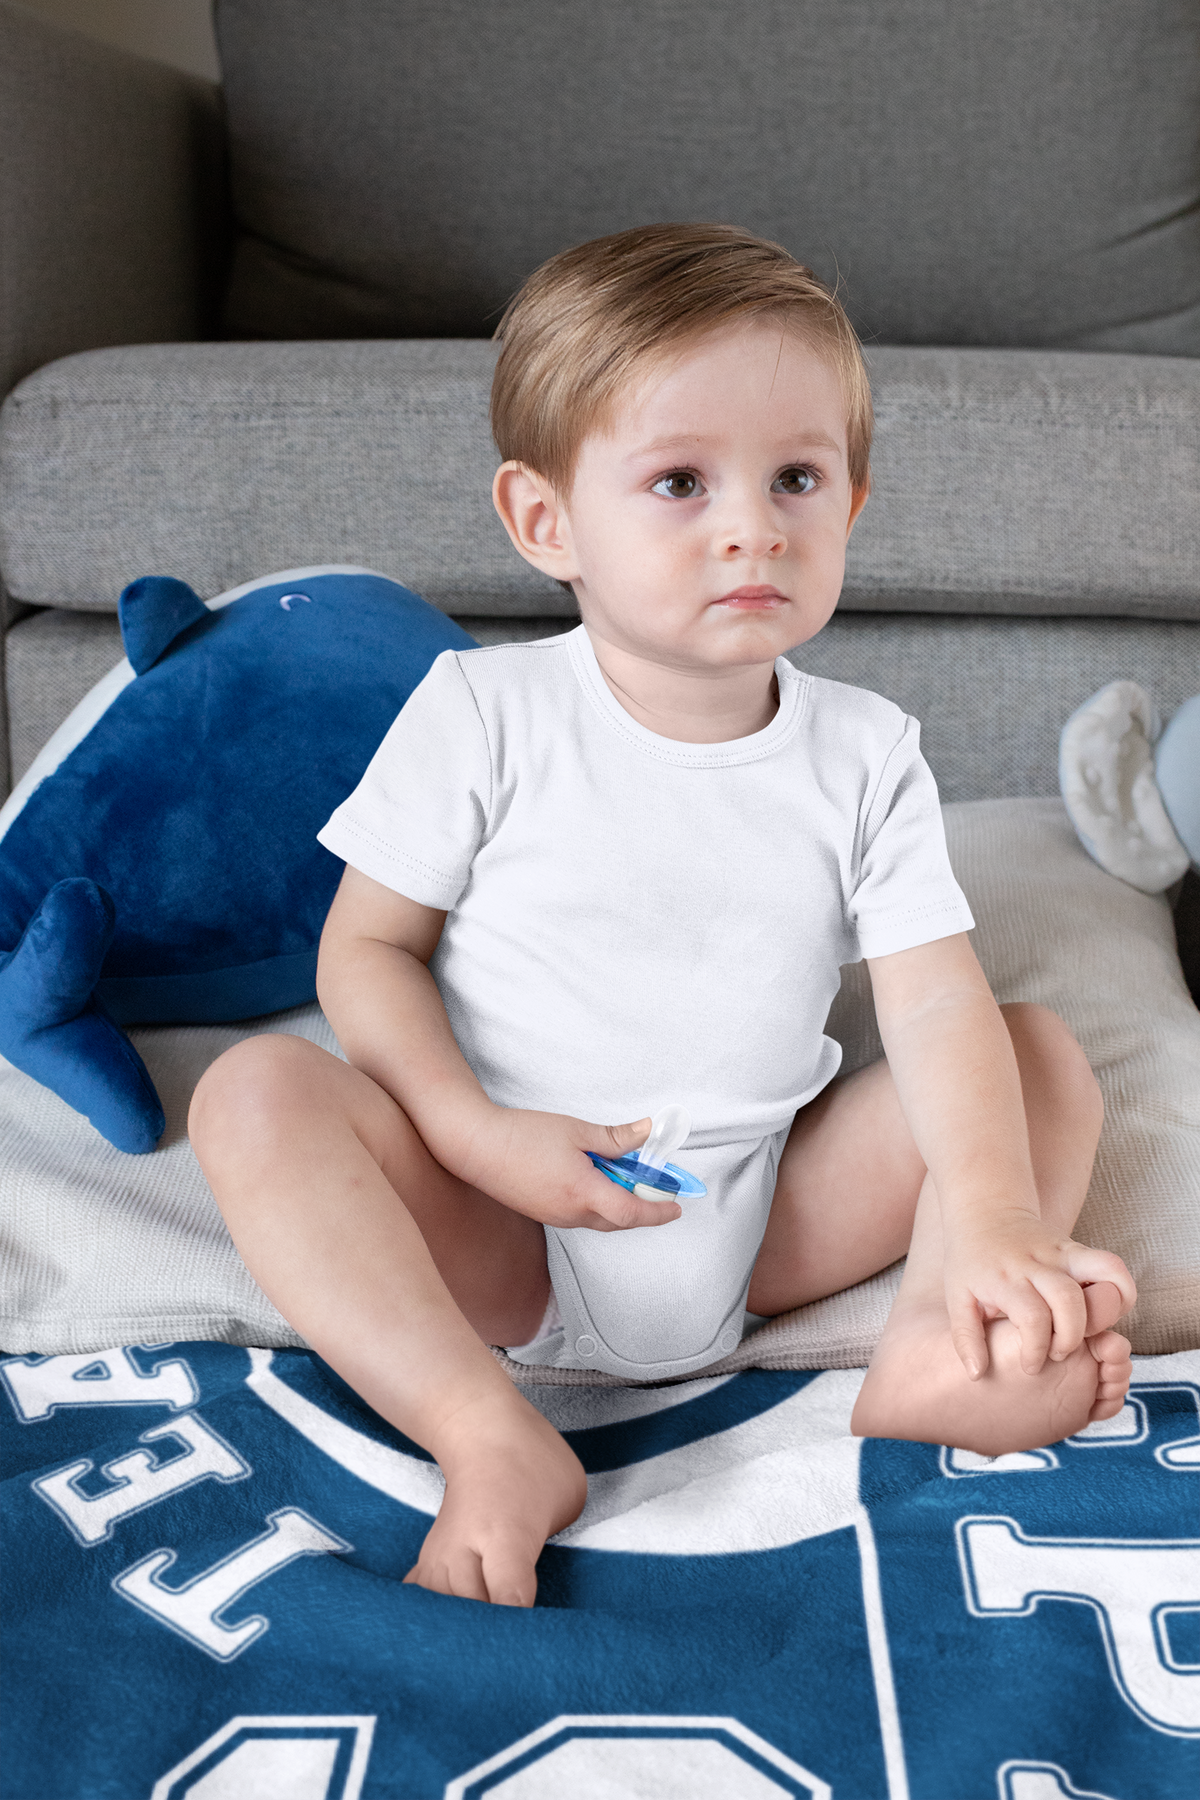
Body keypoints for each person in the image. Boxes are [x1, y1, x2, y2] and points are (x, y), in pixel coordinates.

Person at [189, 222, 1136, 1610]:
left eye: (797, 477)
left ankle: (936, 1345)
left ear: (854, 505)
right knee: (257, 1092)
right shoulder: (485, 715)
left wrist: (992, 1216)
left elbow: (930, 1001)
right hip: (505, 1224)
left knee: (1031, 1051)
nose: (753, 523)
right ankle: (484, 1432)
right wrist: (479, 1138)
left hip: (762, 1219)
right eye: (682, 481)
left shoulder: (866, 751)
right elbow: (368, 952)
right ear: (544, 521)